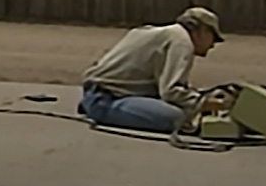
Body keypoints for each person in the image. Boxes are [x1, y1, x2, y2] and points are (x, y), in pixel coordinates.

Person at [78, 7, 230, 135]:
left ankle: (92, 106)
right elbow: (170, 92)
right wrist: (204, 103)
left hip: (98, 91)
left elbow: (161, 83)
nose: (213, 45)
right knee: (176, 118)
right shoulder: (182, 42)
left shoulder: (165, 33)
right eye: (213, 38)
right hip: (106, 100)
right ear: (201, 30)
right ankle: (103, 111)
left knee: (180, 109)